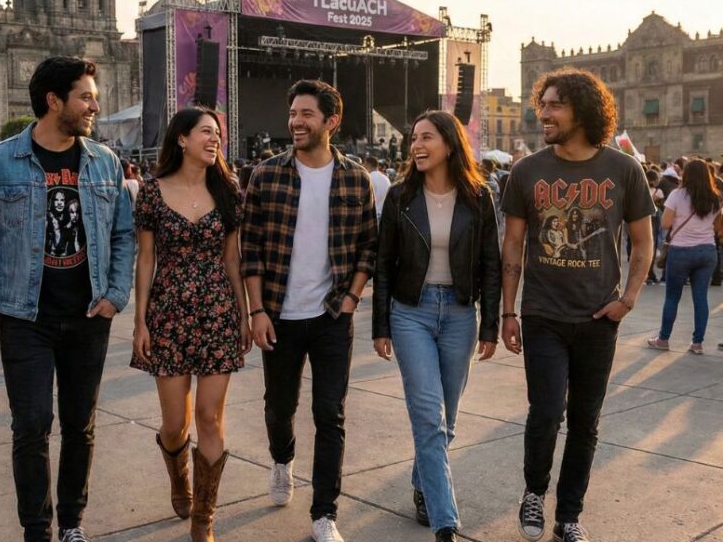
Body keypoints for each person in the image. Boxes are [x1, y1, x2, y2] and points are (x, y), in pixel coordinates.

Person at [0, 56, 135, 542]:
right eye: (85, 96)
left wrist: (116, 295)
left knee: (80, 425)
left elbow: (123, 235)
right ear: (54, 101)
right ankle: (37, 528)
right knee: (32, 424)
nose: (95, 105)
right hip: (25, 316)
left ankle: (72, 523)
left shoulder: (105, 161)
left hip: (88, 315)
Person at [500, 68, 654, 542]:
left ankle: (569, 515)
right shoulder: (527, 171)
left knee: (586, 421)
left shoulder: (623, 170)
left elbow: (643, 243)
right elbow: (512, 247)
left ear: (583, 111)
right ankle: (533, 493)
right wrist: (509, 311)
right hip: (543, 315)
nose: (543, 113)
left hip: (597, 318)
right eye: (541, 104)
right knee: (546, 412)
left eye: (554, 105)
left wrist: (627, 300)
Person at [242, 79, 377, 542]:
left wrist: (352, 297)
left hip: (331, 318)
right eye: (293, 113)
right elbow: (252, 247)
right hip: (278, 314)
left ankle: (325, 514)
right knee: (279, 408)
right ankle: (282, 460)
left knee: (330, 414)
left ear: (331, 122)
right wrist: (256, 310)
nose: (295, 122)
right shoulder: (266, 175)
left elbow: (367, 247)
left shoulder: (355, 177)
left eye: (306, 115)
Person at [372, 111, 500, 542]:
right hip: (412, 312)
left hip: (461, 315)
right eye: (413, 139)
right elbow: (383, 264)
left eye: (426, 137)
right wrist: (381, 325)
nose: (416, 146)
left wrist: (490, 326)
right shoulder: (399, 196)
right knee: (428, 417)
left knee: (447, 422)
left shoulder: (479, 197)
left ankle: (422, 482)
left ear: (449, 143)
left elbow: (491, 266)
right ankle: (446, 522)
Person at [131, 107, 250, 541]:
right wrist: (140, 321)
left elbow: (231, 259)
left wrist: (243, 315)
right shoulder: (151, 192)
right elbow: (146, 260)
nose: (214, 138)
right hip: (167, 314)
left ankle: (204, 519)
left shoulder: (230, 191)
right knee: (174, 423)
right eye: (206, 131)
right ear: (181, 139)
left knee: (209, 419)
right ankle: (179, 476)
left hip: (217, 312)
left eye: (218, 132)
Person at [646, 159, 722, 354]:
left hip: (681, 252)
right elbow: (718, 228)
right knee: (701, 298)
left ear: (686, 175)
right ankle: (697, 344)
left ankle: (663, 339)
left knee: (672, 297)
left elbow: (665, 223)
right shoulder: (715, 198)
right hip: (707, 251)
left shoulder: (677, 195)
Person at [363, 155, 391, 221]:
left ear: (368, 165)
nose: (363, 166)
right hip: (385, 215)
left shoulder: (368, 178)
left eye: (364, 164)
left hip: (373, 215)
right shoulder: (386, 178)